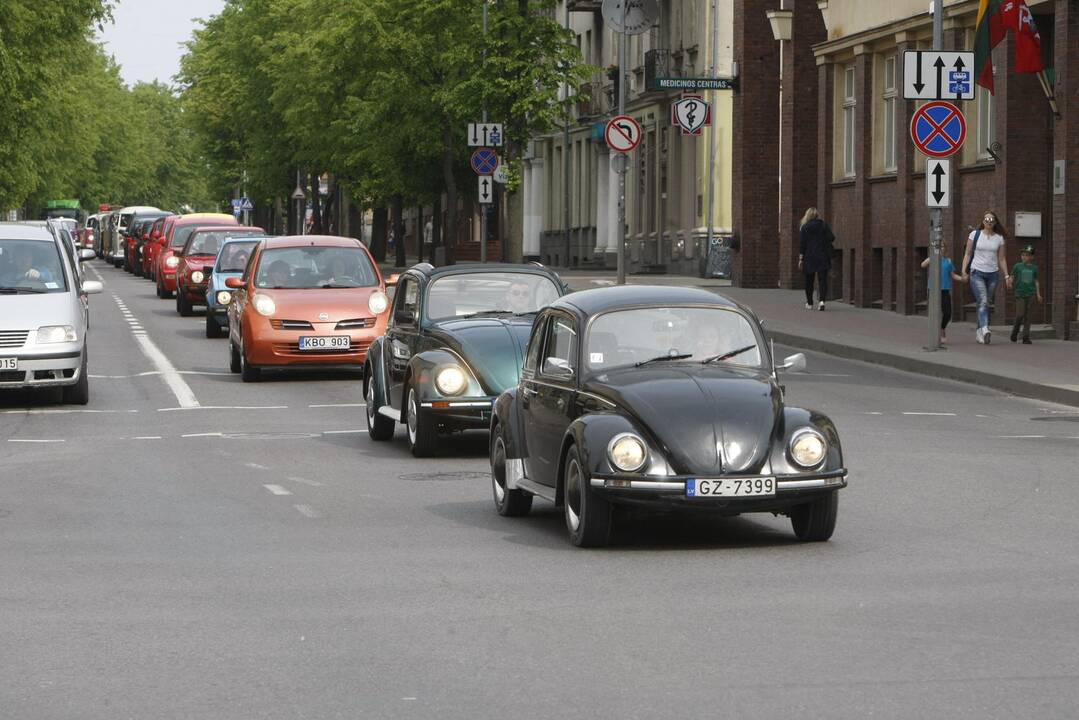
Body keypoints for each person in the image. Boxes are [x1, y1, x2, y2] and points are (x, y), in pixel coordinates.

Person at [961, 210, 1011, 345]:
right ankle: (985, 328)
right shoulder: (975, 234)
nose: (989, 222)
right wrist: (964, 271)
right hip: (977, 272)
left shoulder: (999, 238)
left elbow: (1001, 259)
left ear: (995, 222)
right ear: (983, 221)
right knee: (983, 301)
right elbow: (967, 254)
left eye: (991, 220)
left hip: (993, 274)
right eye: (986, 219)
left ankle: (979, 333)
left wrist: (1006, 275)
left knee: (984, 303)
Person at [920, 241, 964, 344]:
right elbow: (922, 265)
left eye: (943, 246)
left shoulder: (948, 261)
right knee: (934, 313)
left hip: (944, 290)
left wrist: (962, 279)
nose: (941, 248)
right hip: (933, 290)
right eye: (939, 246)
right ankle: (935, 334)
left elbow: (953, 275)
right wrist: (932, 258)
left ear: (945, 248)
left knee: (947, 313)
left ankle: (942, 329)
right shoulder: (933, 259)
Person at [798, 208, 835, 311]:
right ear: (817, 215)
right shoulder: (823, 225)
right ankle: (822, 301)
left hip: (809, 257)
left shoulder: (805, 227)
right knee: (822, 280)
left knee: (809, 280)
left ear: (807, 215)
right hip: (822, 256)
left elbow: (802, 244)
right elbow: (832, 237)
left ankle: (809, 303)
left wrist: (801, 259)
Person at [1009, 245, 1042, 344]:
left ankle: (1025, 337)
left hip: (1031, 294)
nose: (1024, 257)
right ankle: (1015, 332)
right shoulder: (1017, 266)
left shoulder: (1034, 268)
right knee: (1020, 314)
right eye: (1022, 255)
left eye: (1026, 255)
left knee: (1028, 317)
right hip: (1020, 293)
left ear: (1032, 257)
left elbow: (1036, 281)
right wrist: (1010, 282)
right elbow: (1012, 276)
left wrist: (1038, 294)